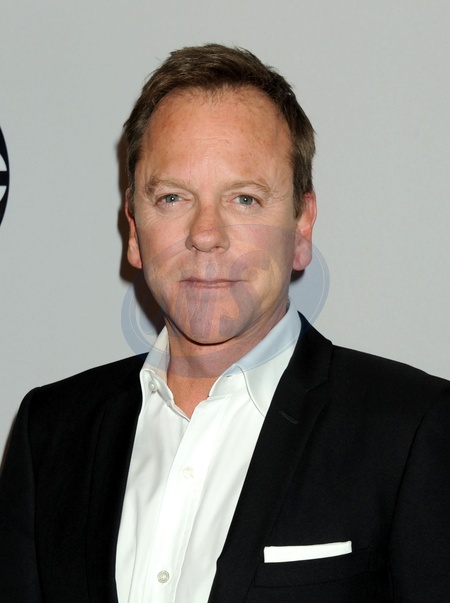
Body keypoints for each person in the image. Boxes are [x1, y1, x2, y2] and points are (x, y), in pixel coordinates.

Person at [0, 44, 449, 603]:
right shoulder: (49, 431)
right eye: (172, 197)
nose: (205, 234)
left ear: (302, 225)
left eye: (244, 199)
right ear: (134, 230)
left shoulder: (413, 430)